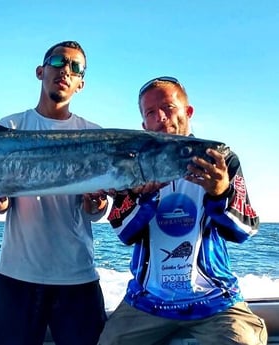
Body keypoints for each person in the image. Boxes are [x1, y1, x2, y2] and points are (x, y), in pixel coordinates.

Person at [0, 41, 108, 345]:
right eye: (57, 62)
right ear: (40, 71)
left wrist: (96, 205)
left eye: (75, 67)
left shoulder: (94, 134)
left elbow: (95, 213)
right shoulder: (11, 126)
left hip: (78, 278)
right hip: (17, 279)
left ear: (81, 83)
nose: (65, 71)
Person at [97, 76, 268, 345]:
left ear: (188, 112)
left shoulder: (219, 159)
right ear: (144, 124)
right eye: (151, 113)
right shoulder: (130, 165)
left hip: (215, 302)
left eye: (168, 107)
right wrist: (145, 199)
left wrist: (220, 192)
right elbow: (124, 232)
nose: (161, 117)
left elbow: (243, 230)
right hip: (147, 303)